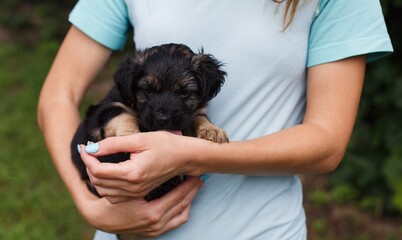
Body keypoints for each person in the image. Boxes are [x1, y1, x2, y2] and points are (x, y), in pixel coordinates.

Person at [37, 0, 393, 239]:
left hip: (261, 231)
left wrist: (192, 155)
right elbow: (58, 96)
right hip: (127, 231)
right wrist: (92, 208)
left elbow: (327, 143)